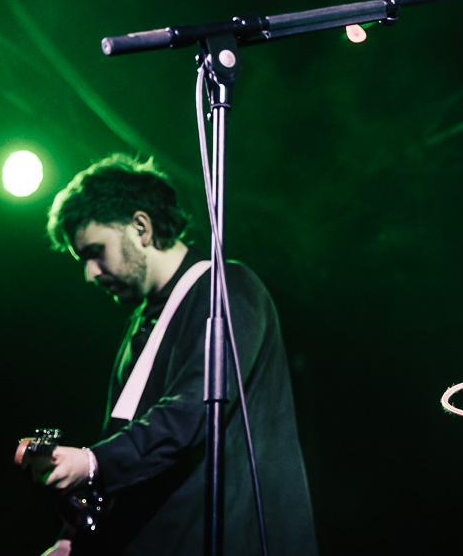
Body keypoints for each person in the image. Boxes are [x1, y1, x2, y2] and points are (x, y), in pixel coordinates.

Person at [35, 154, 318, 555]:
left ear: (141, 228)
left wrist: (92, 462)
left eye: (96, 251)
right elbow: (125, 439)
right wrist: (72, 536)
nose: (90, 273)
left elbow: (188, 414)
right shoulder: (141, 323)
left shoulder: (227, 289)